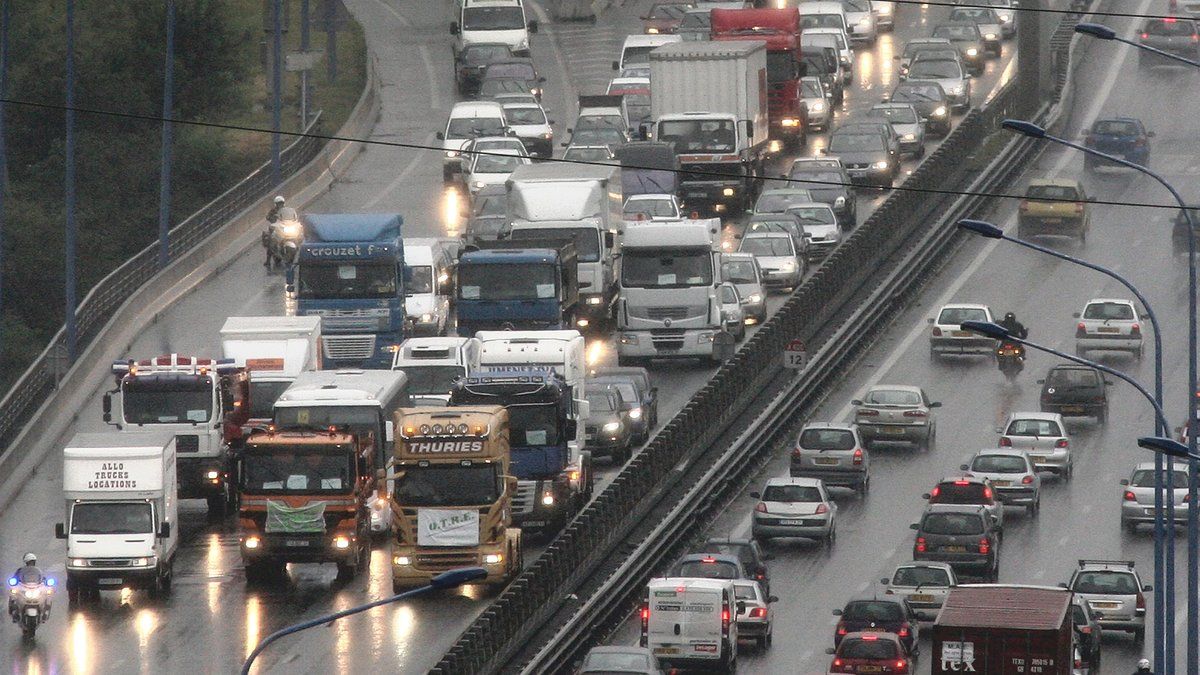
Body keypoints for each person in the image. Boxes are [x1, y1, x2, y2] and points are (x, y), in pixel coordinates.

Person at [263, 196, 286, 268]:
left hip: (284, 227)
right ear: (276, 204)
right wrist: (272, 218)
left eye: (281, 203)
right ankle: (268, 260)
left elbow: (292, 217)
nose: (280, 205)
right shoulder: (273, 211)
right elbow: (268, 217)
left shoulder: (286, 210)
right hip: (276, 227)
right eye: (279, 203)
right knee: (270, 240)